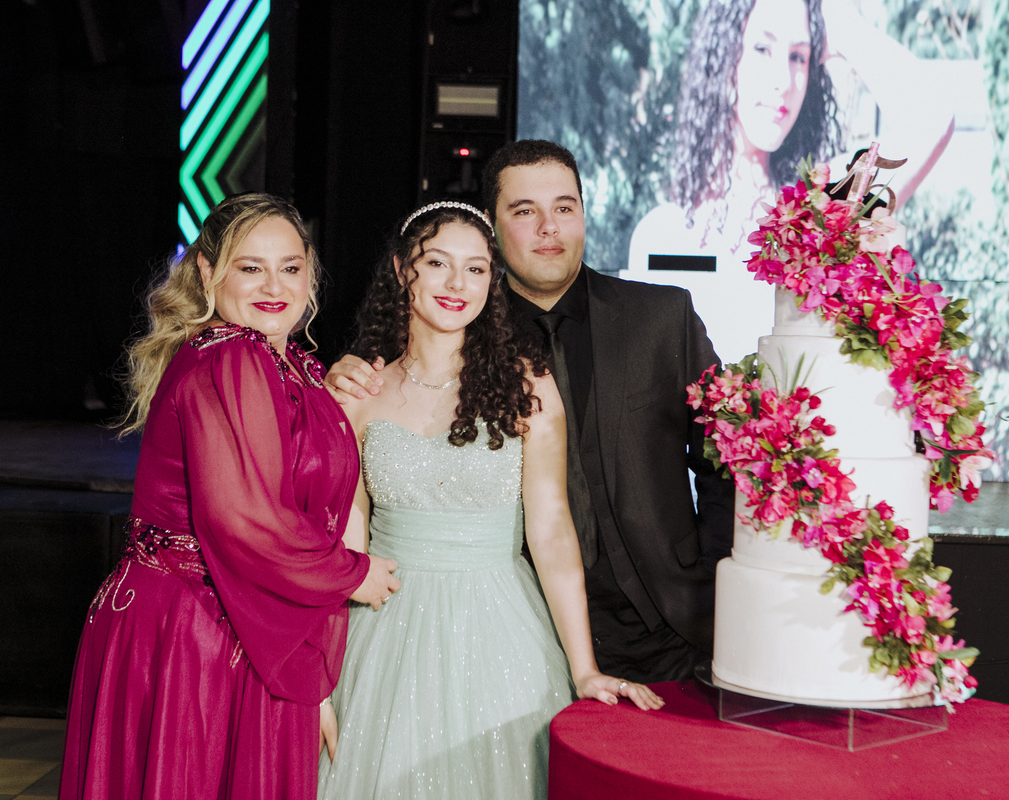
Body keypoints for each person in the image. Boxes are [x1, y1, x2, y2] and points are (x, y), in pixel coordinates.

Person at [328, 142, 732, 684]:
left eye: (564, 207)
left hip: (674, 625)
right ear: (491, 228)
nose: (549, 228)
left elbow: (726, 462)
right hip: (522, 632)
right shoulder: (454, 324)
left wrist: (715, 577)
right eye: (524, 211)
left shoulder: (662, 317)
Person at [59, 194, 400, 800]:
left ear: (311, 271)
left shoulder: (288, 363)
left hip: (220, 621)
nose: (274, 285)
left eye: (290, 267)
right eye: (250, 267)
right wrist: (351, 574)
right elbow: (245, 520)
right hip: (196, 631)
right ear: (207, 271)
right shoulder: (233, 356)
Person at [317, 201, 662, 799]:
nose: (457, 284)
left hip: (501, 627)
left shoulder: (528, 387)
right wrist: (321, 675)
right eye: (437, 263)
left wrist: (583, 667)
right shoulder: (357, 392)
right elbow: (345, 537)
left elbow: (551, 531)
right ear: (401, 270)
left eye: (476, 269)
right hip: (383, 629)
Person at [625, 0, 955, 363]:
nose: (783, 80)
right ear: (723, 52)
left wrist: (836, 22)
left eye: (799, 56)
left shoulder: (823, 211)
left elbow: (932, 122)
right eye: (762, 49)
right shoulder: (661, 232)